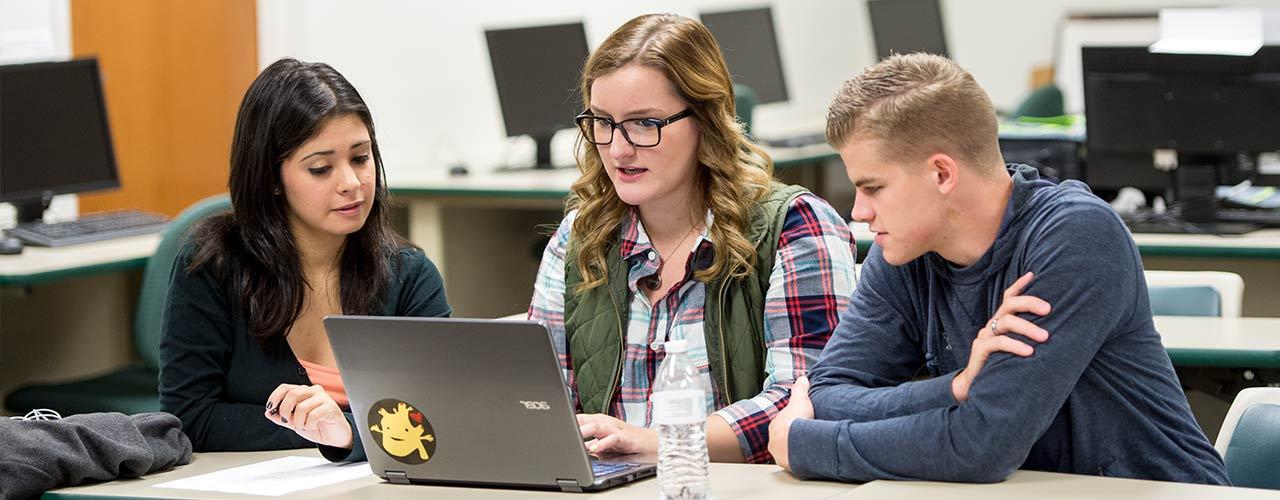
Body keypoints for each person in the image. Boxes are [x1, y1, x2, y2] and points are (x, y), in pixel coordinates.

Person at [767, 53, 1229, 484]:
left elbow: (981, 446)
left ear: (942, 174)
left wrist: (807, 446)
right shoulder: (907, 251)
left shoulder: (1076, 235)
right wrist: (957, 387)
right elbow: (826, 394)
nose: (859, 212)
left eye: (873, 188)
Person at [528, 13, 857, 464]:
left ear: (705, 120)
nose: (619, 148)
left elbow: (806, 400)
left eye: (644, 123)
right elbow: (540, 398)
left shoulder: (795, 226)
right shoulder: (579, 237)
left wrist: (654, 443)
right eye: (602, 122)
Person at [160, 58, 451, 461]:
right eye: (321, 168)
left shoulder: (409, 274)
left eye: (361, 158)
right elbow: (190, 418)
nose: (351, 183)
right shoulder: (213, 267)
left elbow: (443, 417)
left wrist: (345, 434)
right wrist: (326, 433)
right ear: (271, 178)